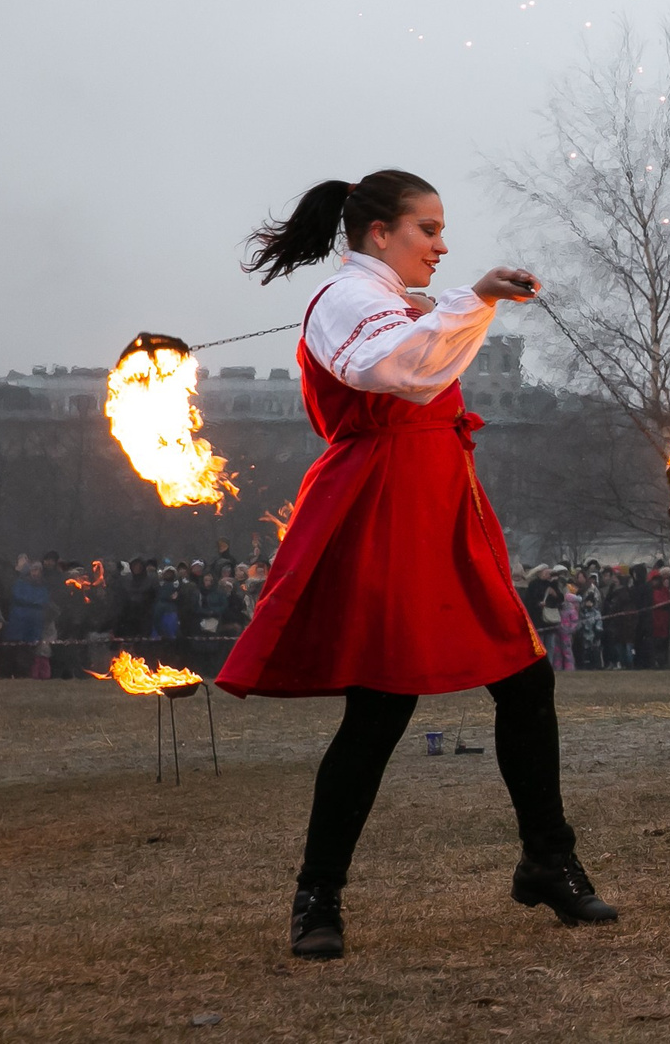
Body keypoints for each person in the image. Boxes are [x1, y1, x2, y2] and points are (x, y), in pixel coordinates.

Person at [217, 171, 617, 960]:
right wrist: (474, 299)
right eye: (427, 229)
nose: (441, 243)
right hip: (384, 506)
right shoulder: (347, 300)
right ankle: (317, 896)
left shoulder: (399, 301)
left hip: (443, 501)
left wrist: (476, 297)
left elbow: (424, 342)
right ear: (378, 234)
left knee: (525, 678)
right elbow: (395, 368)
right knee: (379, 707)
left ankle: (547, 857)